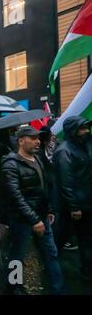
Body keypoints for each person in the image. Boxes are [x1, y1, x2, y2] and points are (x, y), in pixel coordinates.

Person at [2, 126, 64, 295]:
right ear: (21, 141)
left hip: (42, 217)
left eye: (38, 138)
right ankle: (14, 287)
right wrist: (34, 220)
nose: (38, 141)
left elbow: (43, 188)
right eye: (33, 138)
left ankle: (57, 289)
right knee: (17, 255)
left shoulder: (38, 159)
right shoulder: (11, 164)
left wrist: (48, 209)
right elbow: (16, 197)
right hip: (23, 220)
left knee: (51, 254)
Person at [53, 116, 92, 282]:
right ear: (72, 131)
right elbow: (65, 182)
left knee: (87, 238)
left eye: (87, 127)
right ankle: (50, 265)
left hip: (87, 203)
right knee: (61, 237)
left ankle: (87, 269)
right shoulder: (64, 151)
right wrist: (74, 207)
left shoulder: (85, 145)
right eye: (82, 128)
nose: (87, 131)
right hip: (71, 207)